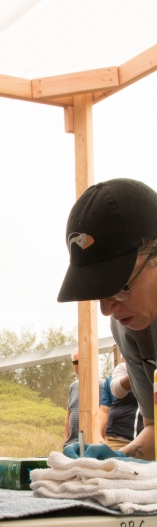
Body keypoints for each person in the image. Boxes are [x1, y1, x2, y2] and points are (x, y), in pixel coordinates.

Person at [58, 178, 157, 462]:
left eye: (118, 287)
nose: (106, 310)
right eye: (98, 291)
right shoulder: (130, 329)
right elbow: (154, 428)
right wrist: (116, 462)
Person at [63, 349, 104, 448]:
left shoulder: (102, 385)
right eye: (75, 362)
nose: (78, 364)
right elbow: (68, 417)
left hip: (92, 444)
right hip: (71, 444)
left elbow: (106, 414)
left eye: (82, 360)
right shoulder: (73, 387)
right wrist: (65, 441)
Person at [99, 362, 143, 450]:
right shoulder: (110, 380)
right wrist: (99, 434)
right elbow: (104, 411)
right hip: (116, 439)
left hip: (144, 439)